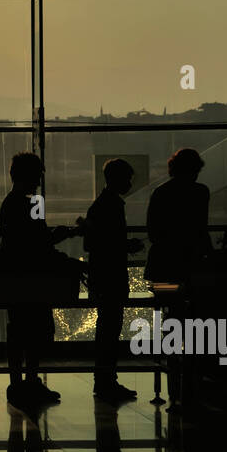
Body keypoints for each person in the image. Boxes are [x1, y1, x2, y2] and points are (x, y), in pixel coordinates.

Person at [0, 152, 82, 408]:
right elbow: (40, 243)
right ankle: (31, 379)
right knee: (36, 331)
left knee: (19, 331)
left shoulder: (9, 203)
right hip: (32, 280)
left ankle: (18, 383)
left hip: (14, 278)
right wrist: (63, 237)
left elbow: (27, 241)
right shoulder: (34, 202)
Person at [81, 158, 145, 402]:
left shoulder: (101, 205)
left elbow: (91, 242)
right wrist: (125, 245)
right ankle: (107, 380)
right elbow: (104, 242)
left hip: (102, 274)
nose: (129, 183)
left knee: (106, 328)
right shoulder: (112, 205)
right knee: (110, 329)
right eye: (127, 178)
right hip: (111, 275)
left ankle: (105, 379)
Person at [143, 147, 213, 287]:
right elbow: (201, 228)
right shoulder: (200, 192)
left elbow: (153, 231)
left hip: (163, 261)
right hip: (191, 259)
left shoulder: (161, 192)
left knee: (165, 301)